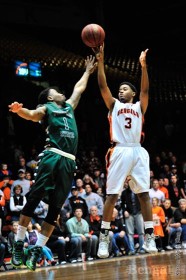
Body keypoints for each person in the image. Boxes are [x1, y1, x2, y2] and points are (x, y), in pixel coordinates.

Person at [8, 55, 97, 271]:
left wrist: (87, 71)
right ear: (49, 98)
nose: (60, 91)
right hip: (52, 155)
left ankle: (37, 249)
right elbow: (32, 114)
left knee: (55, 209)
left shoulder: (68, 107)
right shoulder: (47, 109)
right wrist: (20, 111)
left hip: (69, 161)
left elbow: (79, 89)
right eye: (55, 91)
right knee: (36, 196)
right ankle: (19, 243)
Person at [94, 44, 157, 259]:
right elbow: (103, 86)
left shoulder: (140, 106)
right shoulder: (114, 106)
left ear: (133, 93)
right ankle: (103, 238)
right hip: (119, 150)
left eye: (124, 88)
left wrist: (143, 67)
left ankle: (150, 236)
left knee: (144, 195)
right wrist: (100, 62)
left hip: (138, 151)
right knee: (112, 195)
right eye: (119, 88)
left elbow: (146, 90)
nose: (121, 90)